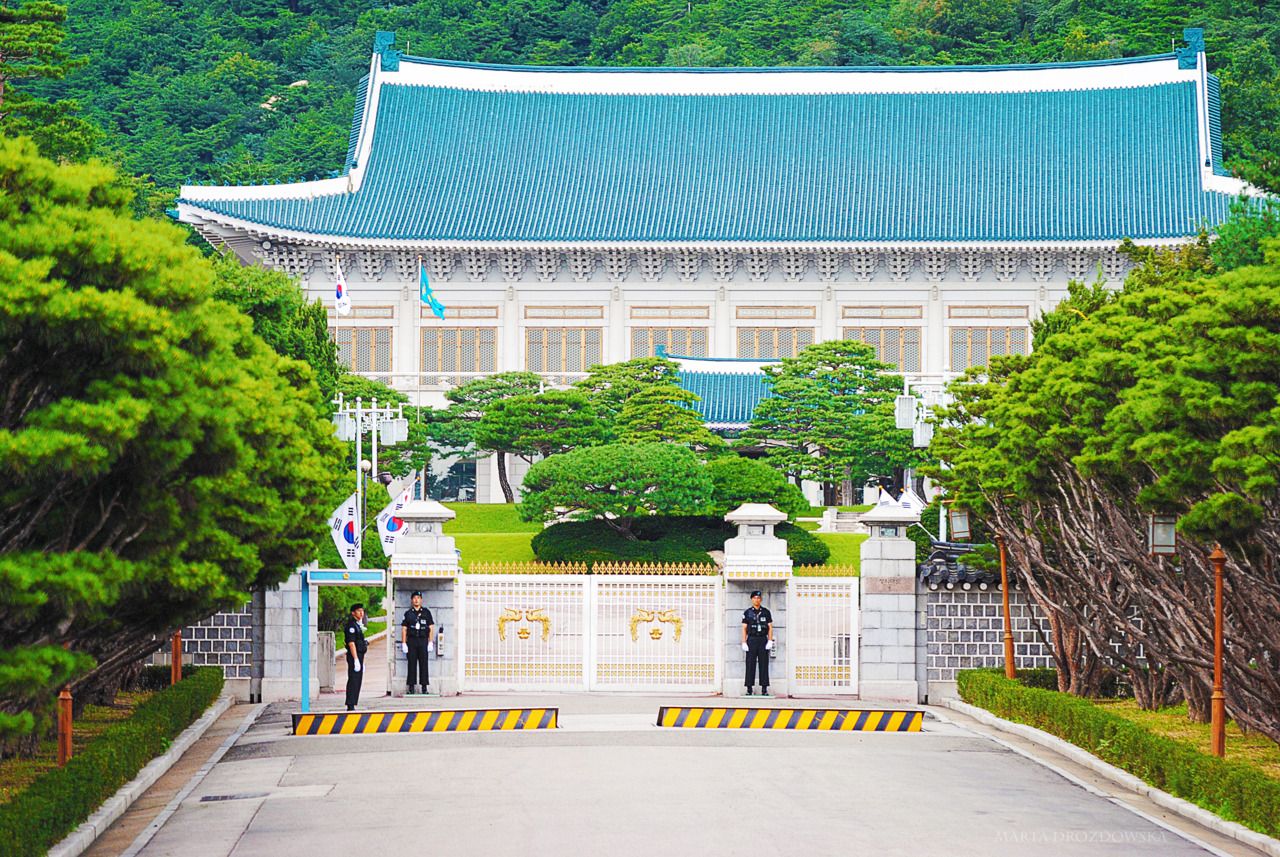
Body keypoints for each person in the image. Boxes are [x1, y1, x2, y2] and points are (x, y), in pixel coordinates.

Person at [400, 591, 435, 694]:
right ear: (412, 600)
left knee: (424, 664)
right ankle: (411, 687)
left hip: (423, 640)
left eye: (418, 598)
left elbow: (431, 627)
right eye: (414, 598)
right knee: (411, 664)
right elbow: (404, 629)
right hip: (412, 641)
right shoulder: (408, 613)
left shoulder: (426, 612)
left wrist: (430, 642)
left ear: (421, 600)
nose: (416, 600)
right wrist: (403, 643)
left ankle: (424, 687)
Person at [741, 590, 775, 696]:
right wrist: (744, 642)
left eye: (759, 598)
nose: (757, 600)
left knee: (764, 664)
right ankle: (749, 688)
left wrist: (769, 640)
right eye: (755, 598)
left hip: (762, 640)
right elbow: (744, 628)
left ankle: (764, 689)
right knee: (750, 664)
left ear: (761, 600)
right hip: (751, 640)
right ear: (752, 599)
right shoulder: (747, 612)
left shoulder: (766, 612)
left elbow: (770, 627)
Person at [343, 603, 368, 711]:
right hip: (354, 655)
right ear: (353, 613)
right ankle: (350, 704)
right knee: (353, 679)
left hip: (359, 655)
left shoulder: (358, 625)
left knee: (357, 679)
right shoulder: (351, 626)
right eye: (358, 611)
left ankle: (353, 703)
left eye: (362, 611)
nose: (361, 613)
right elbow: (351, 643)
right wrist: (356, 659)